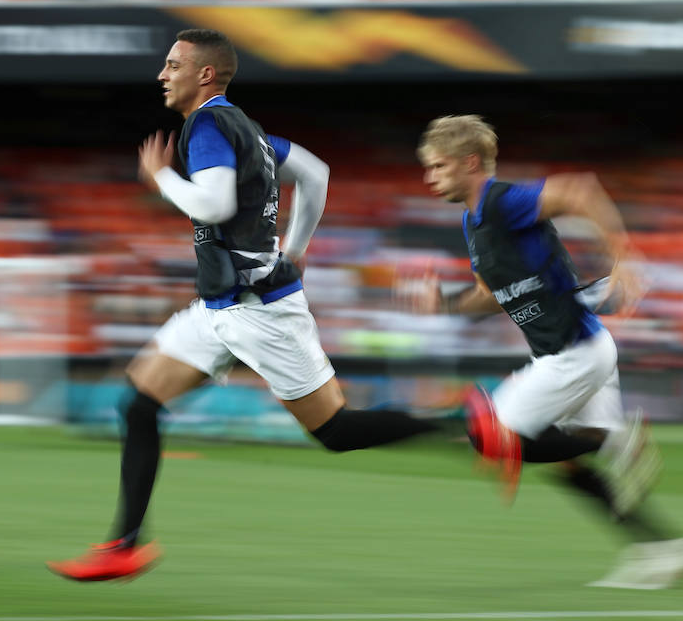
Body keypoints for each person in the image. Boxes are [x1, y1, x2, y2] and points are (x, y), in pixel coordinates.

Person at [46, 29, 447, 582]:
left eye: (172, 64)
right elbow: (315, 172)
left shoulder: (208, 124)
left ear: (205, 74)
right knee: (139, 401)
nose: (162, 74)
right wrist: (297, 248)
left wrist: (162, 176)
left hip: (260, 312)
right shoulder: (252, 133)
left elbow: (214, 203)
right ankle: (125, 545)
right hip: (221, 307)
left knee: (336, 431)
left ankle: (460, 423)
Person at [413, 114, 683, 589]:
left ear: (469, 163)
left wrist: (623, 254)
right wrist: (444, 304)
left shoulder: (500, 201)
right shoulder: (476, 223)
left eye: (438, 166)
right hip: (582, 349)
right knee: (561, 462)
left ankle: (612, 440)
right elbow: (492, 294)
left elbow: (579, 191)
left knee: (488, 437)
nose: (429, 177)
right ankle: (662, 550)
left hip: (572, 354)